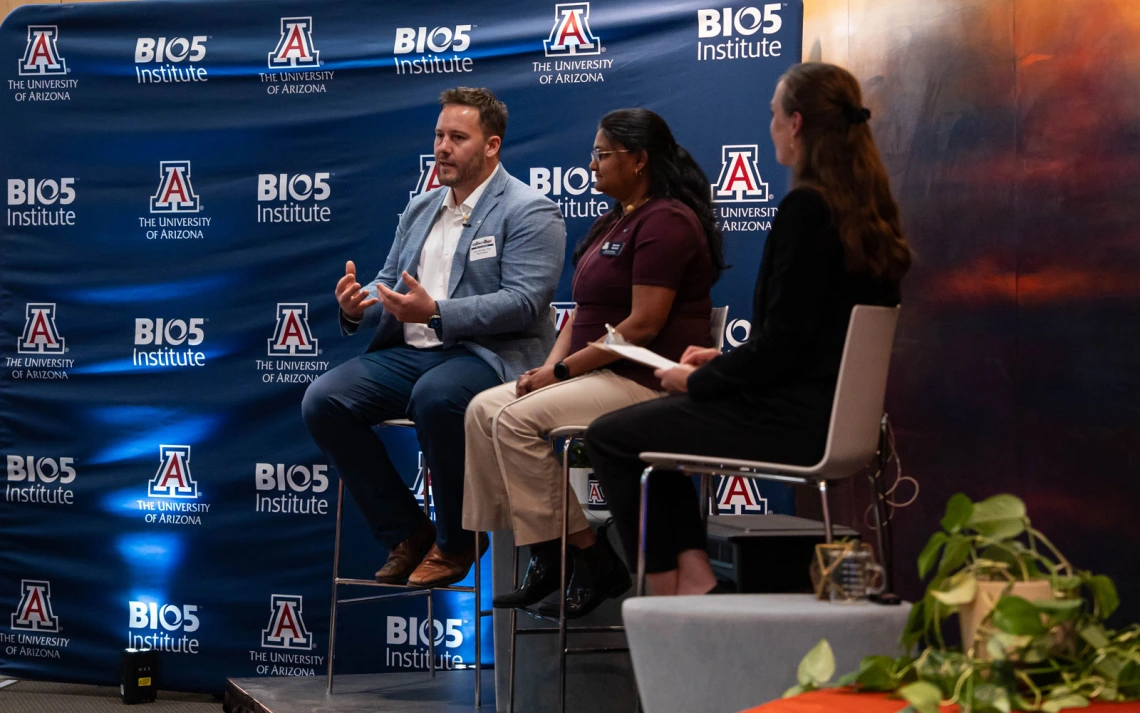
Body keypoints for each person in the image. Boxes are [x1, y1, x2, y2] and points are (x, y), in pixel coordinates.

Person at [586, 62, 913, 596]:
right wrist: (719, 363)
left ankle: (669, 596)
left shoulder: (807, 210)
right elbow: (807, 339)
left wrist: (696, 382)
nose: (770, 127)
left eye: (773, 115)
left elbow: (781, 347)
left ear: (797, 123)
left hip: (790, 421)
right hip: (833, 419)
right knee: (648, 428)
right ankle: (693, 580)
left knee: (612, 435)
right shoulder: (870, 212)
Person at [462, 108, 724, 617]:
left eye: (603, 155)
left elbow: (643, 324)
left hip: (644, 378)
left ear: (640, 159)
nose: (592, 165)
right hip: (596, 371)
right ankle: (554, 551)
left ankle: (581, 553)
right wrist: (547, 370)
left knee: (514, 421)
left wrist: (562, 373)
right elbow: (582, 315)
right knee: (482, 411)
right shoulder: (617, 217)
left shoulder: (667, 220)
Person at [302, 87, 566, 588]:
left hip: (487, 355)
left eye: (457, 138)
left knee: (437, 396)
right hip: (411, 352)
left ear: (491, 145)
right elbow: (390, 278)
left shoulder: (530, 209)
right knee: (324, 399)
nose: (442, 148)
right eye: (439, 136)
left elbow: (525, 301)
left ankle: (456, 540)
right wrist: (357, 305)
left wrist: (440, 312)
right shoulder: (421, 208)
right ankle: (409, 533)